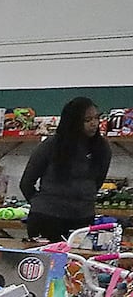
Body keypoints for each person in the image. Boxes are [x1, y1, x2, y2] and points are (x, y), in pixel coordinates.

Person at [21, 96, 112, 242]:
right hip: (46, 218)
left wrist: (82, 200)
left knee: (78, 263)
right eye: (87, 120)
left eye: (96, 118)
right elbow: (26, 183)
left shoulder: (102, 148)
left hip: (83, 219)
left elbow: (97, 181)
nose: (94, 124)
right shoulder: (51, 145)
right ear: (74, 122)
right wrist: (41, 204)